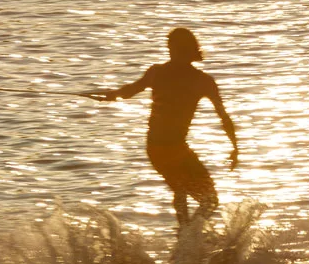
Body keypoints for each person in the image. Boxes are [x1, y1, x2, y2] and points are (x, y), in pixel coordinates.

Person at [92, 27, 238, 226]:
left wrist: (235, 147)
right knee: (187, 191)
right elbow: (129, 91)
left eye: (176, 49)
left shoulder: (201, 80)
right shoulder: (161, 74)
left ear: (190, 50)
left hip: (169, 148)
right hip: (161, 148)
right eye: (171, 48)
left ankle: (188, 235)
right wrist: (111, 94)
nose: (172, 53)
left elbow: (224, 117)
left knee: (205, 199)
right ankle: (188, 237)